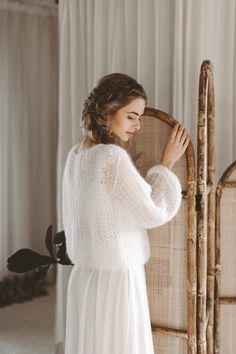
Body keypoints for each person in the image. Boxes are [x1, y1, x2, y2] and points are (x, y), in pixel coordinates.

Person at [62, 73, 189, 354]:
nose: (139, 126)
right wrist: (165, 164)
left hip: (86, 276)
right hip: (117, 278)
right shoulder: (111, 158)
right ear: (108, 111)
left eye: (140, 117)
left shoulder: (76, 155)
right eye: (132, 116)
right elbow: (154, 211)